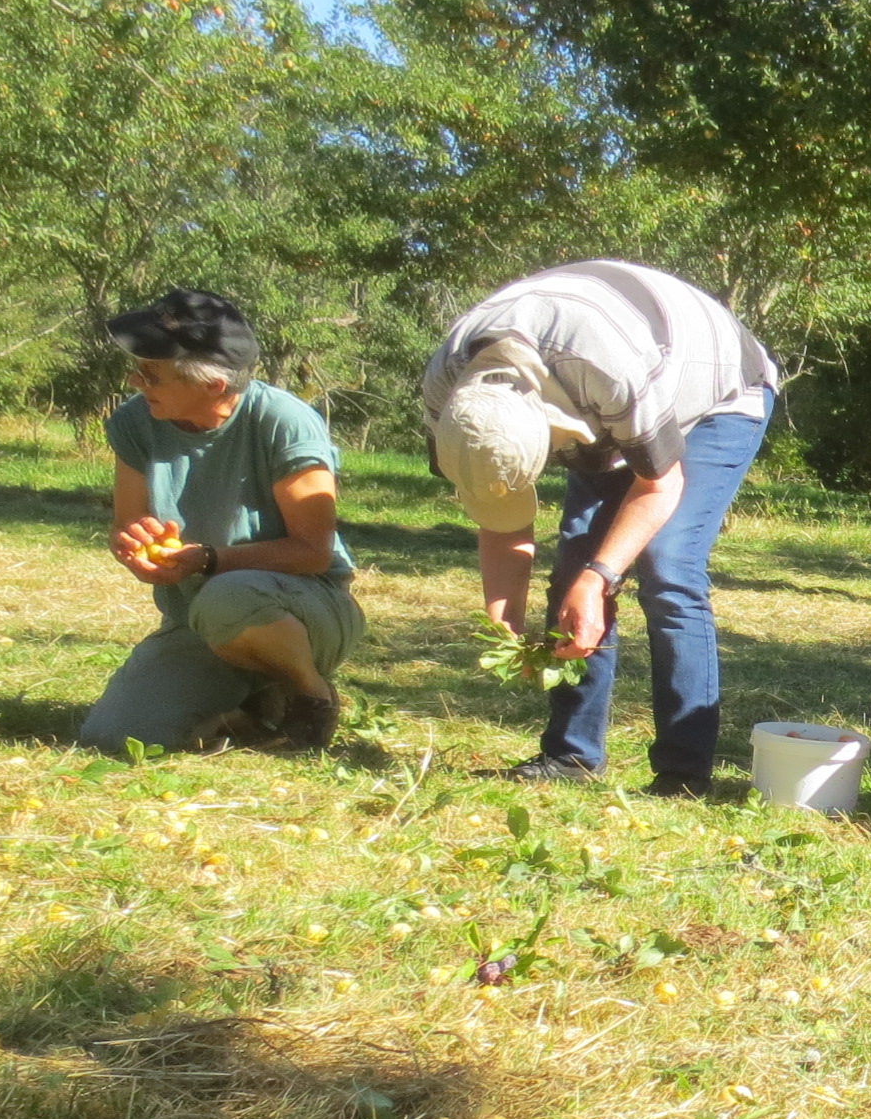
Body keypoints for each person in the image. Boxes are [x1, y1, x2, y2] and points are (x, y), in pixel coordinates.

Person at [419, 260, 780, 797]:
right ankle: (571, 754)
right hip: (607, 397)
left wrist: (599, 577)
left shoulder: (606, 367)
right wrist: (504, 617)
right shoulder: (448, 397)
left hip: (718, 395)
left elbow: (659, 485)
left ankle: (684, 772)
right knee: (573, 568)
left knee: (667, 565)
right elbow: (496, 506)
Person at [81, 290, 364, 756]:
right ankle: (254, 706)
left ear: (213, 385)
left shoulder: (284, 421)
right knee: (115, 739)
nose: (135, 381)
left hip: (305, 609)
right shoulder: (136, 422)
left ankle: (311, 694)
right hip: (199, 619)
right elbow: (126, 526)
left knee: (227, 595)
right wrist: (134, 550)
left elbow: (313, 551)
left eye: (151, 373)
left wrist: (206, 560)